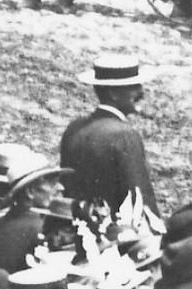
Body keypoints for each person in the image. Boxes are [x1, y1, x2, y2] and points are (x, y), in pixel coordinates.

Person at [58, 57, 159, 220]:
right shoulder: (124, 135)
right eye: (133, 87)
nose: (141, 92)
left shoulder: (74, 128)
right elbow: (139, 198)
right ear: (113, 93)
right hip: (112, 235)